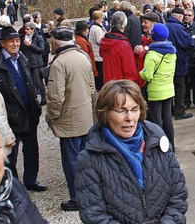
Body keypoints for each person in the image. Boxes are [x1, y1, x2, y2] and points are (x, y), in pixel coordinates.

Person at [75, 79, 187, 223]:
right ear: (105, 112)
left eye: (134, 109)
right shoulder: (90, 158)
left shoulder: (157, 139)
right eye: (121, 111)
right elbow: (94, 215)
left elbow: (177, 192)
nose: (130, 118)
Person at [0, 26, 46, 192]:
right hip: (11, 116)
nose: (15, 44)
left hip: (28, 112)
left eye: (17, 41)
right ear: (2, 43)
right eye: (11, 41)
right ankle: (14, 187)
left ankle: (31, 180)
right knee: (10, 156)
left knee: (31, 151)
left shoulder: (22, 57)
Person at [46, 27, 95, 211]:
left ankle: (76, 197)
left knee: (71, 160)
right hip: (84, 116)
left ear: (56, 42)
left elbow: (55, 97)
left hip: (69, 119)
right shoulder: (83, 57)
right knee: (85, 158)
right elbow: (91, 87)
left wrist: (51, 117)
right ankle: (90, 192)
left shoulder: (59, 63)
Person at [139, 23, 176, 149]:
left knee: (156, 121)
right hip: (169, 90)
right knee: (167, 118)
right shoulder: (172, 53)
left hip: (155, 92)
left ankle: (161, 147)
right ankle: (171, 146)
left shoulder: (152, 54)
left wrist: (140, 72)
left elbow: (147, 75)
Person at [166, 8, 195, 120]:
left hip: (166, 63)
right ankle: (179, 111)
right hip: (179, 61)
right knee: (179, 87)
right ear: (180, 17)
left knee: (169, 87)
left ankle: (170, 110)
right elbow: (189, 43)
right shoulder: (179, 28)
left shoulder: (165, 26)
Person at [100, 11, 141, 85]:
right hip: (121, 86)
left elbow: (102, 54)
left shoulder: (104, 41)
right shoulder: (123, 45)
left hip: (108, 84)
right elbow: (130, 71)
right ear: (124, 24)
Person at [20, 22, 46, 105]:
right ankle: (34, 98)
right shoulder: (23, 38)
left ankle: (44, 97)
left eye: (27, 29)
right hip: (27, 63)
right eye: (25, 29)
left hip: (36, 63)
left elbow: (41, 50)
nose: (26, 31)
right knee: (30, 82)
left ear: (32, 29)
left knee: (39, 81)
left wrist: (30, 45)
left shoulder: (38, 38)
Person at [89, 10, 106, 90]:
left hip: (95, 53)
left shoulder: (93, 27)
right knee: (100, 72)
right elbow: (99, 40)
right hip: (98, 54)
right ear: (99, 18)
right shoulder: (98, 28)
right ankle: (100, 87)